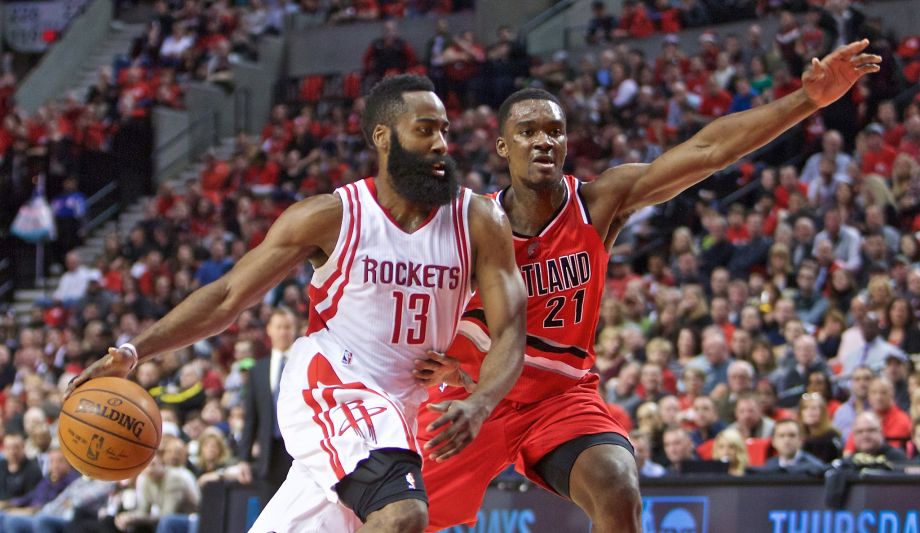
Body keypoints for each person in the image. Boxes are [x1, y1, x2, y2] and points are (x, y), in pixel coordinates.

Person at [416, 40, 881, 533]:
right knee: (393, 515)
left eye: (555, 131)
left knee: (618, 486)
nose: (543, 142)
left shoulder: (598, 204)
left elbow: (708, 152)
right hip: (472, 395)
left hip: (560, 399)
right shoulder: (471, 224)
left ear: (568, 143)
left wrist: (806, 101)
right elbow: (408, 295)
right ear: (503, 146)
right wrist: (428, 352)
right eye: (527, 132)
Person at [67, 74, 526, 533]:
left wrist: (482, 402)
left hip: (400, 408)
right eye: (425, 129)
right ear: (384, 138)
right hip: (333, 384)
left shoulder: (479, 220)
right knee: (402, 514)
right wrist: (132, 352)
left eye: (445, 130)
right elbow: (227, 297)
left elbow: (510, 330)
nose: (441, 143)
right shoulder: (333, 217)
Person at [237, 308, 296, 506]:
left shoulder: (305, 363)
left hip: (299, 452)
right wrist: (243, 458)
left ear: (294, 330)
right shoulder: (257, 370)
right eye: (278, 327)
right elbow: (250, 418)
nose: (283, 332)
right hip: (268, 454)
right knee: (270, 514)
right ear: (269, 329)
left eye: (287, 327)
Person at [762, 419, 827, 475]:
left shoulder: (815, 467)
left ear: (801, 440)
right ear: (773, 442)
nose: (786, 440)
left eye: (792, 435)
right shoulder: (769, 466)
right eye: (781, 436)